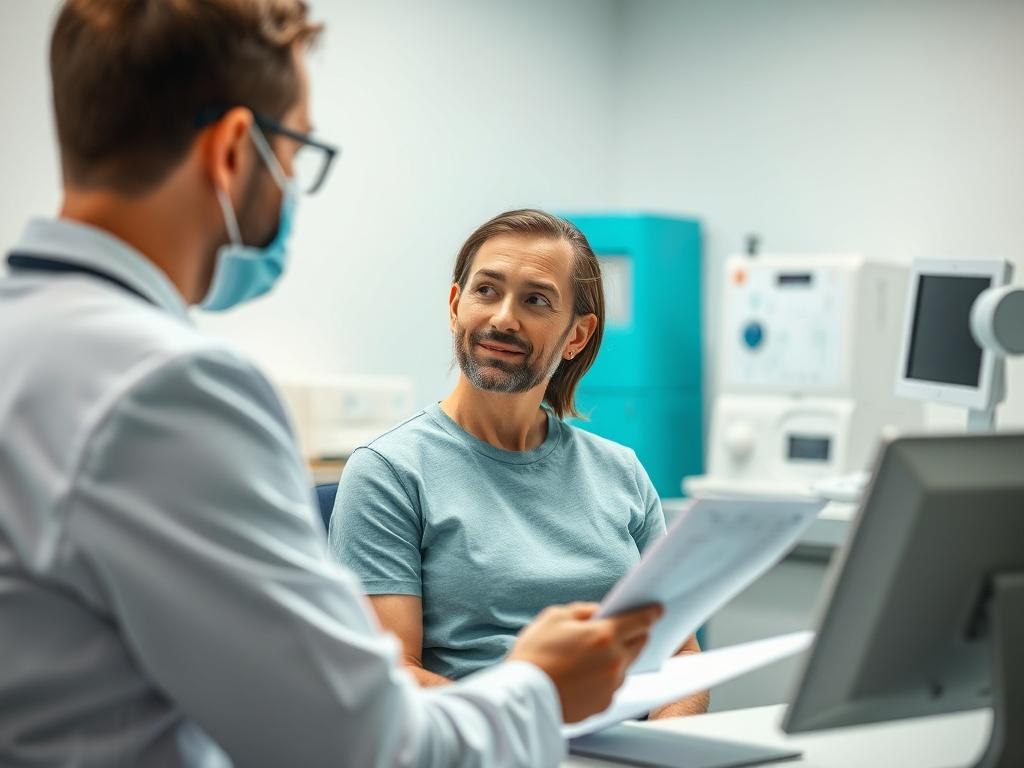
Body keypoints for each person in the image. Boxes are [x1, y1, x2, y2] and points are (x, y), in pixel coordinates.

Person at [0, 3, 663, 766]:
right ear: (232, 152)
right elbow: (357, 743)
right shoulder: (170, 390)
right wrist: (541, 688)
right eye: (295, 150)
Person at [330, 209, 709, 719]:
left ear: (577, 335)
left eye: (535, 300)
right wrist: (537, 724)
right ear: (454, 304)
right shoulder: (389, 472)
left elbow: (681, 660)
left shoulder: (621, 472)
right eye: (486, 290)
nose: (503, 318)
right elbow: (393, 677)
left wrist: (663, 748)